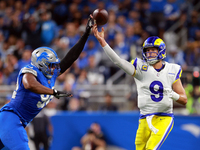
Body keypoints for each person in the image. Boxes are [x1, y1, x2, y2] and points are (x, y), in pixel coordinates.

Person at [0, 16, 94, 150]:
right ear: (40, 64)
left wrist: (85, 35)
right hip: (11, 118)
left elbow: (72, 56)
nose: (54, 68)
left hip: (16, 121)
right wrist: (53, 92)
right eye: (50, 65)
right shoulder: (30, 70)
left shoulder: (51, 75)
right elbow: (29, 84)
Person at [92, 24, 187, 150]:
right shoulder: (141, 68)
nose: (150, 53)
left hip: (164, 117)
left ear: (161, 51)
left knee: (151, 148)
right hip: (144, 118)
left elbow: (184, 99)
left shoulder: (172, 69)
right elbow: (118, 62)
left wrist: (173, 95)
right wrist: (102, 41)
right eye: (147, 50)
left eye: (153, 50)